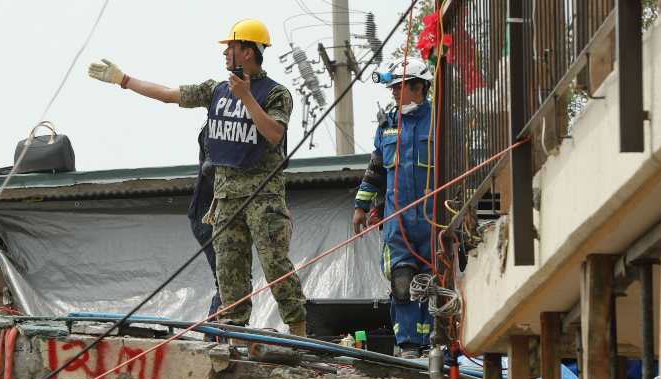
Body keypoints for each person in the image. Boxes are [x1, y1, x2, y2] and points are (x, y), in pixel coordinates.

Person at [88, 19, 307, 336]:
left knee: (276, 266)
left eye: (229, 48)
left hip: (264, 198)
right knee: (229, 270)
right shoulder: (216, 90)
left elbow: (274, 134)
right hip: (226, 198)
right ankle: (233, 334)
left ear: (247, 51)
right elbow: (168, 95)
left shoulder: (275, 93)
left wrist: (246, 97)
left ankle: (299, 334)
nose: (225, 55)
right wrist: (123, 79)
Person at [352, 59, 436, 358]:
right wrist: (361, 206)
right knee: (402, 284)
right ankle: (409, 346)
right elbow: (376, 168)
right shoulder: (388, 125)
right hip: (397, 223)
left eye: (399, 87)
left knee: (432, 285)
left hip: (433, 222)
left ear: (418, 87)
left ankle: (433, 344)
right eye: (392, 88)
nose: (393, 93)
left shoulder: (440, 122)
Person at [189, 124, 222, 318]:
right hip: (208, 216)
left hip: (217, 214)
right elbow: (210, 168)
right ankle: (215, 335)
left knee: (232, 280)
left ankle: (216, 333)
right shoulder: (215, 126)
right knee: (228, 281)